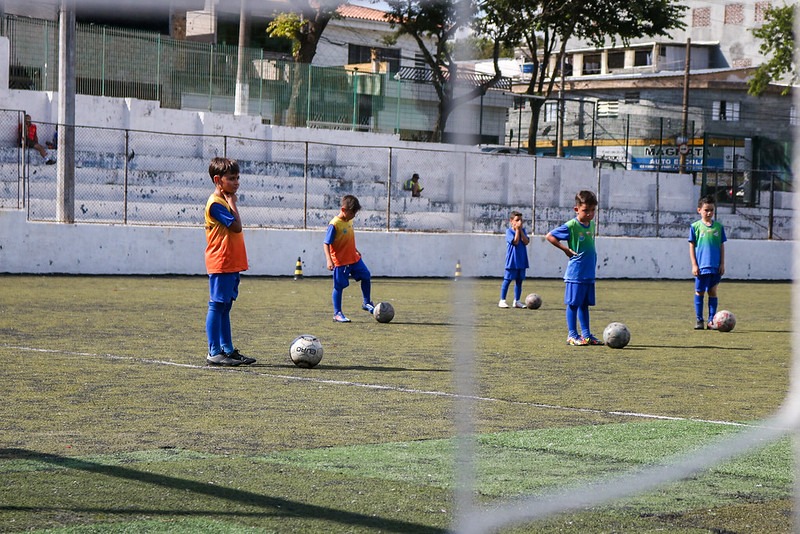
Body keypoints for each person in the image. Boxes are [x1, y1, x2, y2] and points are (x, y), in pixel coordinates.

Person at [203, 157, 256, 366]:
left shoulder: (224, 201)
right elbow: (236, 227)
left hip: (231, 262)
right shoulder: (216, 204)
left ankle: (228, 349)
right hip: (221, 261)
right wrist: (233, 202)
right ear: (218, 180)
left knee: (225, 307)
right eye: (231, 178)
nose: (236, 182)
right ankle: (214, 352)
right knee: (217, 305)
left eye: (237, 178)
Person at [546, 190, 604, 346]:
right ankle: (572, 335)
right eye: (586, 210)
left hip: (588, 272)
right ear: (576, 209)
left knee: (584, 305)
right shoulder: (572, 225)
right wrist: (565, 249)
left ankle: (586, 335)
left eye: (593, 210)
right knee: (573, 304)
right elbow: (550, 236)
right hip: (576, 273)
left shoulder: (592, 224)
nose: (590, 214)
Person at [323, 194, 374, 322]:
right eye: (352, 213)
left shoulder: (349, 220)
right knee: (339, 286)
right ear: (344, 210)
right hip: (341, 261)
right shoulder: (334, 224)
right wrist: (329, 260)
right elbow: (326, 243)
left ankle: (367, 302)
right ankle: (337, 313)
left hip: (354, 258)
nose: (354, 216)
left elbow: (347, 238)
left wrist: (355, 250)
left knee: (366, 275)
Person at [689, 194, 727, 330]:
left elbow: (721, 246)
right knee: (699, 292)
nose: (709, 213)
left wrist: (722, 263)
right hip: (701, 266)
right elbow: (692, 246)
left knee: (713, 291)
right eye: (706, 210)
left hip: (715, 267)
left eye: (711, 210)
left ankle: (711, 321)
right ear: (699, 210)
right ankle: (699, 320)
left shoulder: (719, 227)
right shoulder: (695, 227)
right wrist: (694, 264)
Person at [498, 210, 530, 308]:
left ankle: (517, 301)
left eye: (521, 220)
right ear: (511, 221)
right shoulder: (509, 231)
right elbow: (515, 242)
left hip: (522, 260)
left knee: (519, 281)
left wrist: (520, 230)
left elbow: (526, 241)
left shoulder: (523, 231)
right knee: (507, 280)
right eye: (517, 220)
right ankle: (502, 300)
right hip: (512, 260)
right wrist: (517, 230)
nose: (519, 222)